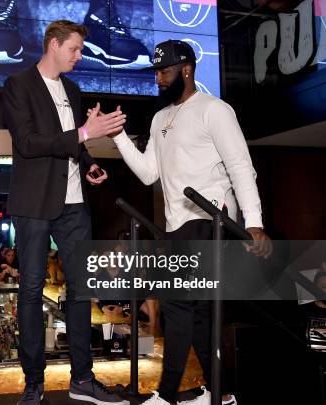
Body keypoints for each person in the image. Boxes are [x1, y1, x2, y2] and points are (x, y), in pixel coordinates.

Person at [110, 40, 273, 405]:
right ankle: (223, 392)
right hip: (178, 224)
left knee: (179, 304)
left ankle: (166, 395)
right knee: (197, 314)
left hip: (208, 218)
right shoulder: (159, 118)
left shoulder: (214, 110)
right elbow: (149, 173)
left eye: (163, 71)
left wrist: (255, 222)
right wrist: (119, 136)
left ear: (186, 69)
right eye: (155, 71)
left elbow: (240, 166)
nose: (157, 77)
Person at [2, 19, 127, 405]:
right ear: (53, 45)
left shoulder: (72, 89)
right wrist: (85, 135)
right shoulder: (18, 86)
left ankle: (82, 380)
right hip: (34, 203)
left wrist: (87, 160)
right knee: (31, 290)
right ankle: (33, 382)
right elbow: (28, 143)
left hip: (74, 205)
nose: (78, 56)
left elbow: (73, 142)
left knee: (80, 290)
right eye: (74, 49)